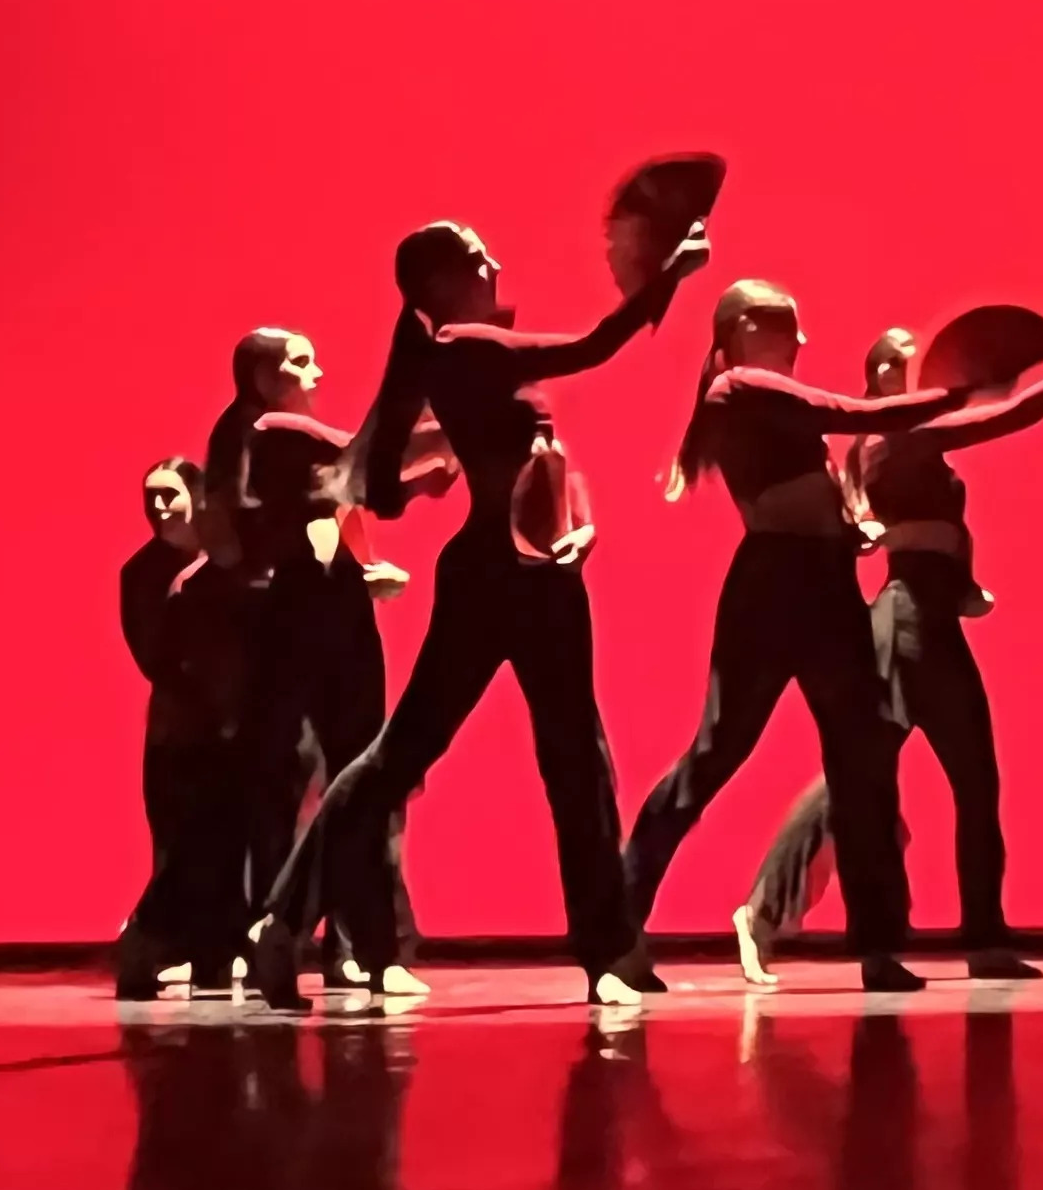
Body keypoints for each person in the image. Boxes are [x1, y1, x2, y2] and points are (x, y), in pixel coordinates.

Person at [246, 213, 707, 1008]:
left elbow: (383, 488)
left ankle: (284, 924)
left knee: (531, 755)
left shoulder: (439, 357)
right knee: (518, 756)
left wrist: (539, 503)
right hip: (504, 577)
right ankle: (600, 953)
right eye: (473, 257)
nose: (495, 262)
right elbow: (595, 346)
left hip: (525, 570)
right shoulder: (465, 347)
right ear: (435, 285)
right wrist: (667, 276)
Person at [732, 316, 1043, 984]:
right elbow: (1008, 418)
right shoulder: (898, 434)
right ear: (883, 377)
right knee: (867, 782)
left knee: (960, 781)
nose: (924, 375)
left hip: (930, 618)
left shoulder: (907, 441)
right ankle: (769, 910)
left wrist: (963, 576)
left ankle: (981, 937)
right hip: (903, 622)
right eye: (907, 365)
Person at [619, 282, 984, 994]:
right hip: (775, 587)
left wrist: (851, 531)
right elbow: (857, 412)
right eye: (788, 328)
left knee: (862, 764)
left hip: (824, 585)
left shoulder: (775, 406)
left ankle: (879, 945)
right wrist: (953, 395)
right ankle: (618, 925)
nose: (802, 343)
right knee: (717, 753)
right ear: (743, 329)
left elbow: (821, 489)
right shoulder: (738, 386)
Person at [207, 328, 431, 998]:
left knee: (355, 777)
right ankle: (297, 936)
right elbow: (249, 530)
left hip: (333, 622)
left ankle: (357, 945)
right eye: (301, 362)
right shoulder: (256, 436)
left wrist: (363, 567)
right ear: (265, 378)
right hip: (290, 628)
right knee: (295, 789)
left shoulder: (294, 439)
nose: (317, 370)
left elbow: (342, 504)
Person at [116, 455, 255, 998]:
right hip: (182, 733)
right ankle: (157, 944)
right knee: (182, 844)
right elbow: (155, 657)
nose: (157, 506)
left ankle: (215, 955)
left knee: (229, 844)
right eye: (150, 495)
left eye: (168, 493)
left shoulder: (227, 566)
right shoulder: (142, 574)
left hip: (231, 728)